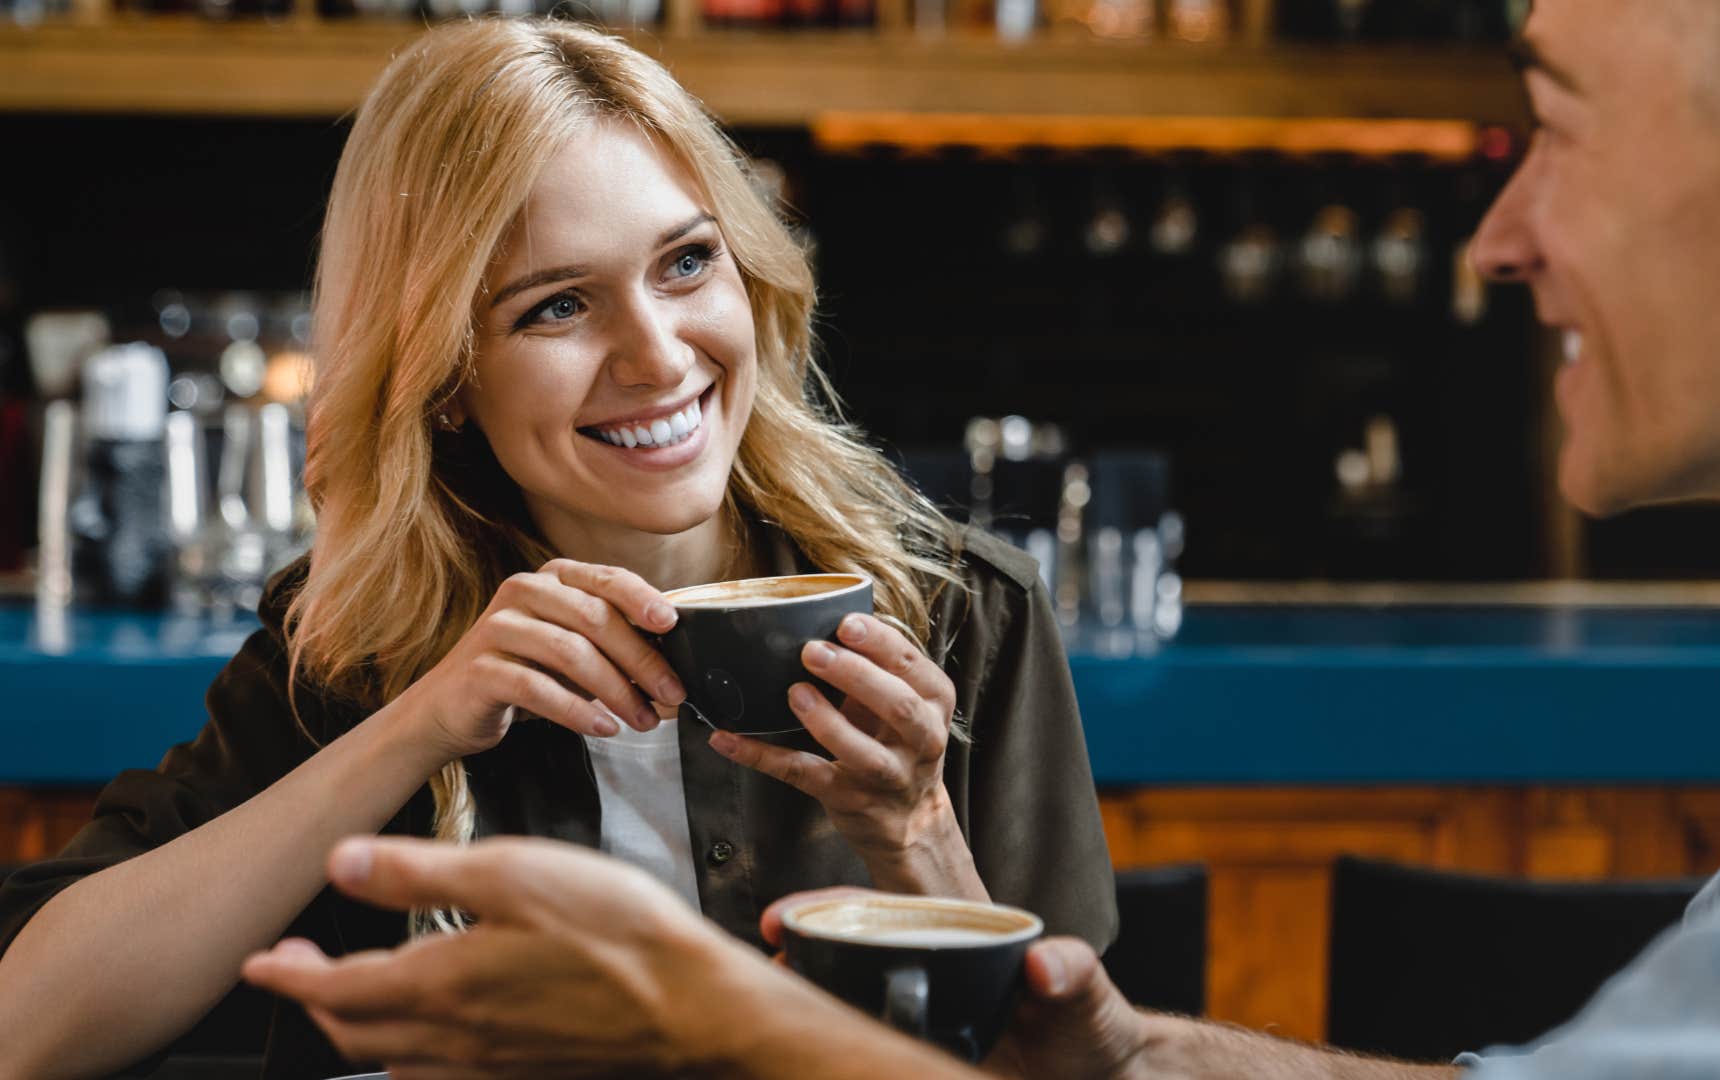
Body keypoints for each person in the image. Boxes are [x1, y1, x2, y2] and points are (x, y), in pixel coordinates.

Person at [244, 0, 1720, 1077]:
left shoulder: (959, 611)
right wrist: (1131, 1053)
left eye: (1556, 126)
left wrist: (693, 1018)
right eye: (554, 305)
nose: (1497, 233)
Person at [0, 18, 1116, 1080]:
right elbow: (27, 1034)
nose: (656, 355)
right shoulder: (354, 644)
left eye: (686, 263)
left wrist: (916, 833)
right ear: (439, 381)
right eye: (558, 307)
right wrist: (413, 726)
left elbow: (1072, 1060)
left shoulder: (965, 611)